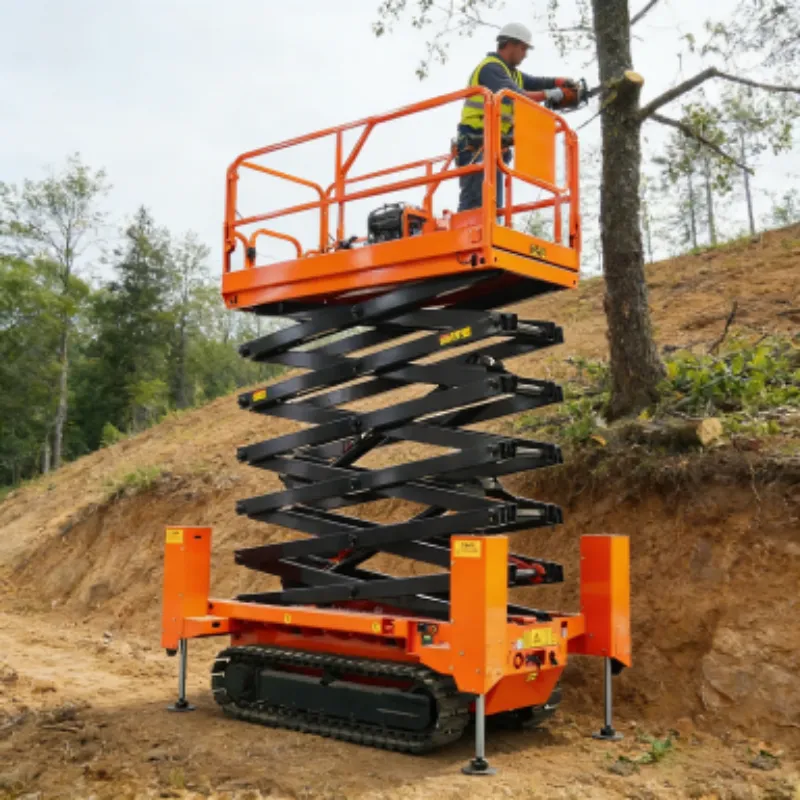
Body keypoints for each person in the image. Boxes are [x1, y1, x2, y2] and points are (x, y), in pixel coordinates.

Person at [457, 22, 578, 213]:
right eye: (523, 48)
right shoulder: (491, 68)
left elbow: (536, 82)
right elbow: (516, 96)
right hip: (475, 145)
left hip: (493, 148)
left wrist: (560, 81)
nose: (525, 54)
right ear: (510, 44)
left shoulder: (512, 74)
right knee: (476, 207)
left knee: (491, 209)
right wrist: (551, 94)